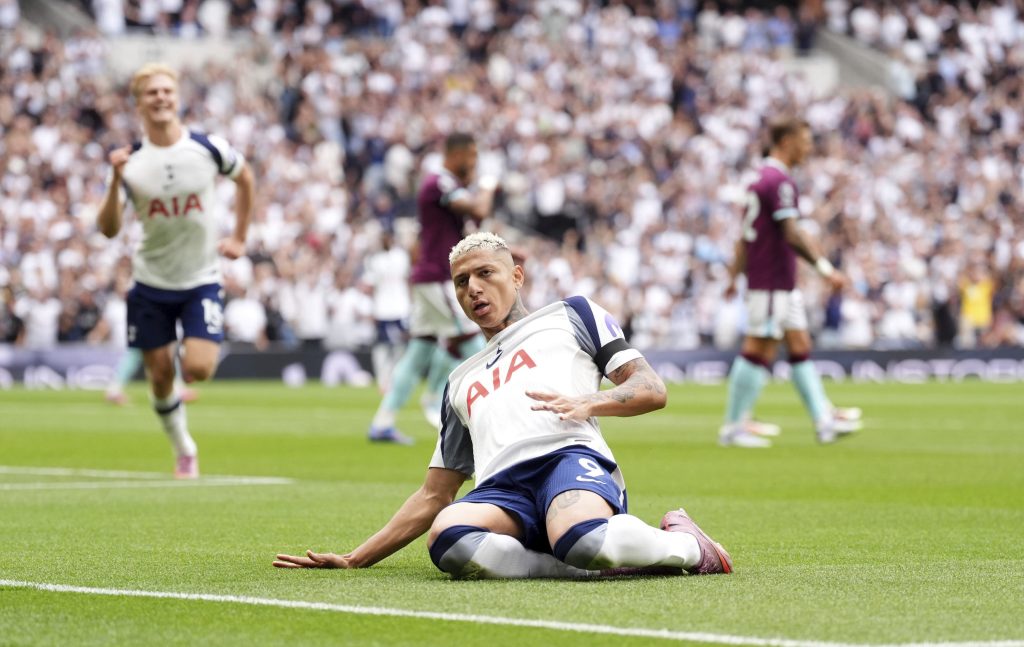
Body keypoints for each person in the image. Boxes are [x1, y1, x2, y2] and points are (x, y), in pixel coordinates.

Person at [275, 232, 732, 579]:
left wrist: (589, 401)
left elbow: (651, 387)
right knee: (448, 538)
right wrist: (356, 558)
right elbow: (435, 494)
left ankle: (689, 546)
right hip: (503, 493)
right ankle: (575, 565)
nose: (473, 289)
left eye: (485, 274)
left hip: (567, 463)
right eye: (461, 282)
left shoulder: (571, 315)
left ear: (516, 276)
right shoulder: (460, 379)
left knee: (582, 535)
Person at [96, 63, 255, 477]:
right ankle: (184, 447)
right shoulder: (130, 162)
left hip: (200, 279)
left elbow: (245, 179)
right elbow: (108, 228)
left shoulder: (207, 147)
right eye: (152, 92)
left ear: (178, 97)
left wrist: (239, 237)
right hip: (151, 282)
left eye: (167, 90)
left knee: (198, 368)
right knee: (160, 377)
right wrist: (114, 181)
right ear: (139, 103)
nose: (161, 97)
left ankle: (186, 345)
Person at [721, 118, 861, 448]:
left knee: (799, 344)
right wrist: (825, 269)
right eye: (805, 141)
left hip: (777, 280)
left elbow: (744, 237)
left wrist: (734, 275)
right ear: (786, 141)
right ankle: (734, 426)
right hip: (771, 280)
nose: (809, 148)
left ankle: (823, 419)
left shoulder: (758, 178)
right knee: (759, 347)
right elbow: (792, 233)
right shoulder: (780, 181)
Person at [367, 133, 498, 444]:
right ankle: (492, 416)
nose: (474, 162)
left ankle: (383, 423)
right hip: (439, 277)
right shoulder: (439, 182)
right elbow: (479, 210)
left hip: (431, 277)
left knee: (418, 353)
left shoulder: (445, 185)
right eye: (472, 155)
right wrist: (489, 184)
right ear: (457, 154)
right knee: (474, 342)